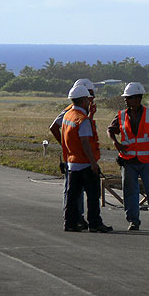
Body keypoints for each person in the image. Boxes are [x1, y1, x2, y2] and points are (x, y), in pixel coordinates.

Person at [107, 82, 149, 232]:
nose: (126, 100)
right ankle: (133, 221)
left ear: (138, 98)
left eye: (129, 97)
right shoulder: (121, 115)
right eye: (126, 98)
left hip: (146, 161)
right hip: (128, 161)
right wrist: (115, 143)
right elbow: (110, 130)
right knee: (130, 193)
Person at [62, 85, 112, 233]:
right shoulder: (82, 120)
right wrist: (93, 163)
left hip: (72, 162)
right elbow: (85, 142)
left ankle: (70, 223)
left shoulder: (68, 116)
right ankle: (94, 223)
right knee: (93, 195)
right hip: (85, 164)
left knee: (72, 196)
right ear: (84, 100)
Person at [50, 78, 97, 230]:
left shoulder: (83, 111)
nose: (92, 98)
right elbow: (54, 127)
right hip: (76, 158)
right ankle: (76, 218)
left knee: (75, 191)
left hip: (77, 157)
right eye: (90, 95)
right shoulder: (71, 111)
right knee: (73, 191)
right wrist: (67, 146)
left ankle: (76, 218)